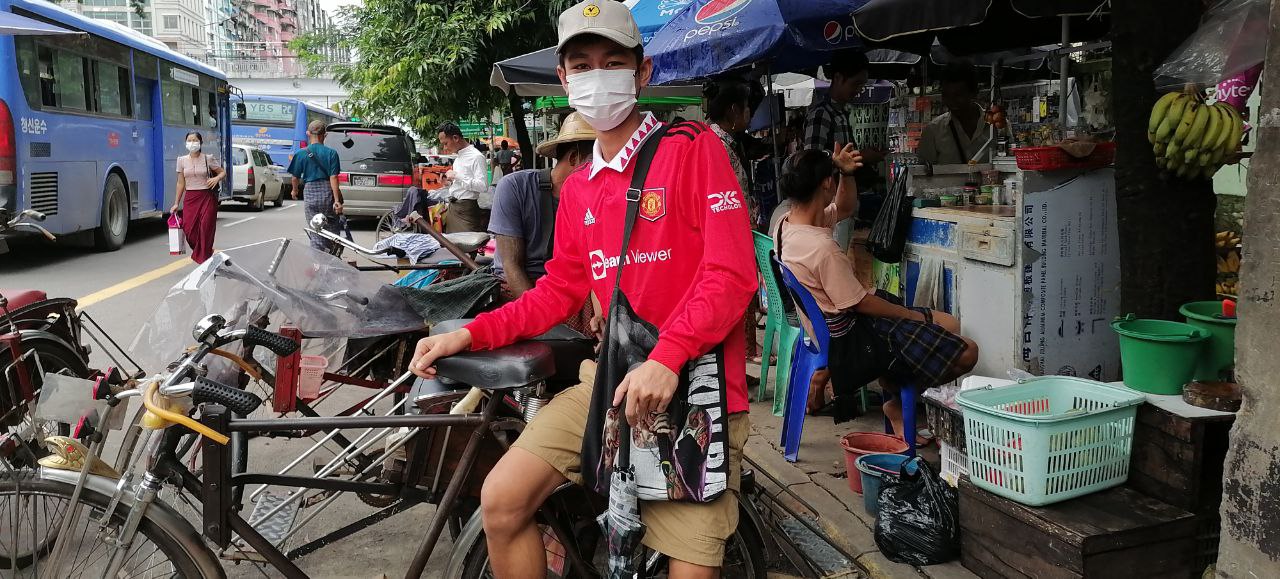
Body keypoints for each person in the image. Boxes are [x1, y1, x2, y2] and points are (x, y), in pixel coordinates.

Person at [409, 1, 757, 576]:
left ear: (643, 72)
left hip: (696, 393)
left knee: (691, 566)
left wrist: (668, 357)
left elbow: (732, 274)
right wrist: (468, 333)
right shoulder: (578, 190)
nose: (598, 76)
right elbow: (557, 293)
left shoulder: (693, 150)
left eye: (613, 62)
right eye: (582, 65)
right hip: (609, 385)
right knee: (502, 501)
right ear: (564, 79)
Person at [776, 148, 979, 435]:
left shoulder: (787, 225)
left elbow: (845, 208)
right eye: (834, 176)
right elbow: (859, 303)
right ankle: (897, 399)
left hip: (829, 325)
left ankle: (893, 384)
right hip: (854, 335)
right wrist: (910, 315)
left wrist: (846, 173)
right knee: (968, 351)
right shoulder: (821, 249)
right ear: (826, 183)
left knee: (950, 324)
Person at [488, 111, 598, 335]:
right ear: (575, 158)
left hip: (567, 287)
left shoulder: (594, 198)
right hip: (520, 285)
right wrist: (541, 319)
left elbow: (596, 265)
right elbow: (511, 265)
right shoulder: (514, 187)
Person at [705, 76, 762, 363]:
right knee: (734, 294)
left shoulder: (726, 141)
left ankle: (742, 355)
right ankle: (738, 356)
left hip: (733, 232)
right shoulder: (715, 144)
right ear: (733, 111)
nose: (749, 115)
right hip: (728, 235)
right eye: (746, 108)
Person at [287, 120, 344, 252]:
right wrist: (336, 201)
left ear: (308, 133)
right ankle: (331, 256)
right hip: (327, 194)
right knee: (332, 229)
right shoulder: (332, 153)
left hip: (310, 194)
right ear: (325, 135)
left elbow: (295, 177)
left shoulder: (301, 153)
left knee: (315, 229)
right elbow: (333, 177)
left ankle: (317, 258)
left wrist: (294, 191)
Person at [917, 64, 991, 165]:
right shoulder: (933, 131)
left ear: (974, 93)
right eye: (946, 95)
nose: (951, 101)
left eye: (958, 95)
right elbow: (923, 171)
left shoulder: (997, 126)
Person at [170, 131, 226, 263]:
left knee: (205, 228)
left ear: (200, 143)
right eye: (189, 140)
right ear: (185, 143)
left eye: (195, 140)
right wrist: (176, 203)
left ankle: (204, 259)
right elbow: (180, 183)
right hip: (190, 198)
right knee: (189, 230)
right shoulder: (181, 160)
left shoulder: (208, 158)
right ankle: (207, 252)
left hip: (207, 197)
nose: (192, 143)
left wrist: (216, 179)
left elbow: (222, 172)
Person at [436, 122, 489, 233]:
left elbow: (483, 186)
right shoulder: (458, 158)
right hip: (453, 207)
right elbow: (461, 185)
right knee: (451, 242)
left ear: (455, 138)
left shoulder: (476, 157)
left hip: (466, 209)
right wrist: (449, 183)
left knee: (467, 242)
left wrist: (457, 176)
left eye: (446, 143)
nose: (445, 148)